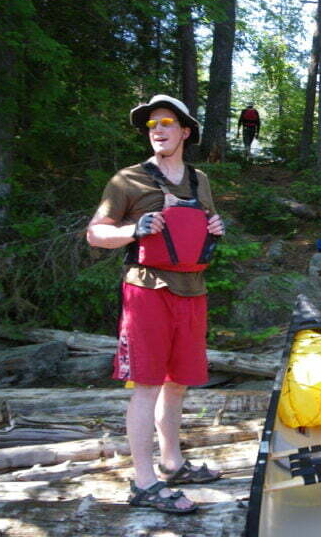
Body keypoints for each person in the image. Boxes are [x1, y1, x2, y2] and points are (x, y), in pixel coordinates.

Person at [87, 94, 225, 513]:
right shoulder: (128, 180)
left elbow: (202, 230)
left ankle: (172, 463)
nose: (158, 130)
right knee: (146, 385)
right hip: (146, 292)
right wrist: (134, 228)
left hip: (192, 291)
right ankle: (144, 483)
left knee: (177, 383)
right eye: (151, 125)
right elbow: (95, 234)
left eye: (167, 122)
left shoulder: (200, 181)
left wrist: (216, 228)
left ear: (185, 131)